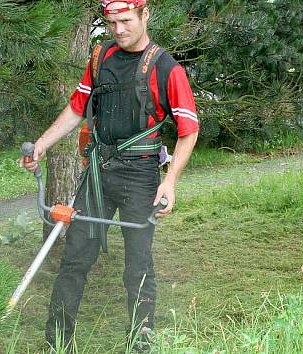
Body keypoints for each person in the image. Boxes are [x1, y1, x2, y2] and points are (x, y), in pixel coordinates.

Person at [20, 0, 199, 349]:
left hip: (141, 176)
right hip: (98, 175)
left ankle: (140, 339)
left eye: (126, 21)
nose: (118, 30)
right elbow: (77, 107)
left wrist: (170, 182)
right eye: (111, 22)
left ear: (145, 15)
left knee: (138, 264)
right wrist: (41, 144)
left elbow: (188, 130)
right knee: (74, 258)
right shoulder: (100, 58)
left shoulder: (165, 68)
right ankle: (58, 342)